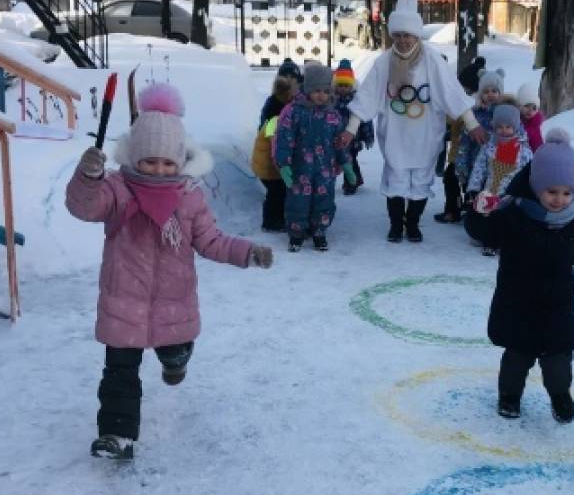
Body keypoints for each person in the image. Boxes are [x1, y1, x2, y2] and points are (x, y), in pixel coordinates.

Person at [67, 83, 274, 460]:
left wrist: (247, 252)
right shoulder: (116, 190)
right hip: (124, 301)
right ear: (134, 157)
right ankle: (117, 435)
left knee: (175, 351)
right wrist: (88, 177)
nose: (158, 170)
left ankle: (176, 361)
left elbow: (211, 241)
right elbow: (85, 207)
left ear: (180, 160)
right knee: (119, 371)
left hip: (173, 305)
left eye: (167, 163)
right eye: (149, 161)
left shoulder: (189, 197)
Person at [339, 0, 489, 243]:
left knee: (420, 180)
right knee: (396, 179)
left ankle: (413, 224)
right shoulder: (384, 62)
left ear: (417, 35)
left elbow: (451, 92)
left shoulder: (432, 60)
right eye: (397, 35)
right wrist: (351, 129)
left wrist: (472, 124)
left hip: (425, 133)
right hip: (396, 133)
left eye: (407, 35)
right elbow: (367, 96)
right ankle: (396, 225)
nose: (403, 40)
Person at [481, 128, 574, 424]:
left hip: (557, 303)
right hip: (519, 299)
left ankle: (560, 395)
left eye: (566, 193)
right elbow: (488, 235)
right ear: (536, 185)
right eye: (552, 191)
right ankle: (509, 396)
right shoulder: (514, 214)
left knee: (558, 358)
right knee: (518, 355)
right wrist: (483, 214)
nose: (559, 200)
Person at [274, 62, 357, 252]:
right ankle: (296, 234)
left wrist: (346, 164)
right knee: (298, 201)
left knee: (324, 200)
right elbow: (284, 139)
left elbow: (339, 142)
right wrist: (283, 163)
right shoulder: (294, 112)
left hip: (325, 169)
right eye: (317, 90)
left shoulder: (333, 115)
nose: (322, 95)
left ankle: (319, 231)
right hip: (300, 168)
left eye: (326, 91)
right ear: (308, 89)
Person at [464, 103, 533, 256]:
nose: (504, 130)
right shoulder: (489, 147)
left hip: (510, 195)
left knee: (503, 217)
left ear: (515, 127)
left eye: (508, 127)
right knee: (482, 215)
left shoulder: (524, 151)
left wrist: (524, 194)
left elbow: (528, 174)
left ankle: (496, 242)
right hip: (489, 192)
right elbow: (479, 169)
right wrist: (474, 189)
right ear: (494, 127)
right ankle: (482, 236)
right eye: (500, 127)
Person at [436, 56, 487, 223]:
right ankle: (456, 209)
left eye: (465, 89)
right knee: (453, 179)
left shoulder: (473, 106)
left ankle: (463, 210)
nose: (462, 91)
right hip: (458, 153)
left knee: (462, 182)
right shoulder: (465, 103)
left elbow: (453, 119)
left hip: (470, 155)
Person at [250, 70, 298, 231]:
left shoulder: (274, 105)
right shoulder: (275, 116)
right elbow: (274, 141)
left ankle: (276, 218)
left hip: (268, 161)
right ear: (285, 95)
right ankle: (271, 221)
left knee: (277, 191)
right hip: (268, 164)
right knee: (276, 192)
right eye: (291, 95)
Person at [454, 69, 504, 197]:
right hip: (475, 167)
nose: (490, 94)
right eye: (486, 92)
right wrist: (462, 164)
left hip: (498, 169)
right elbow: (464, 142)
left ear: (500, 93)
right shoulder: (474, 115)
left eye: (494, 91)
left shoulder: (505, 114)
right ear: (480, 94)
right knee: (475, 198)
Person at [333, 58, 373, 195]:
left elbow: (363, 118)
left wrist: (366, 135)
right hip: (339, 135)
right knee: (348, 159)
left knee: (349, 158)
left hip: (354, 137)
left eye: (346, 86)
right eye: (340, 85)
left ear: (351, 86)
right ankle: (357, 179)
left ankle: (350, 184)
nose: (343, 89)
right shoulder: (333, 98)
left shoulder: (356, 99)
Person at [517, 80, 544, 152]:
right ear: (519, 106)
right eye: (527, 106)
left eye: (534, 108)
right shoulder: (514, 121)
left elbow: (538, 147)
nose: (530, 110)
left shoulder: (535, 126)